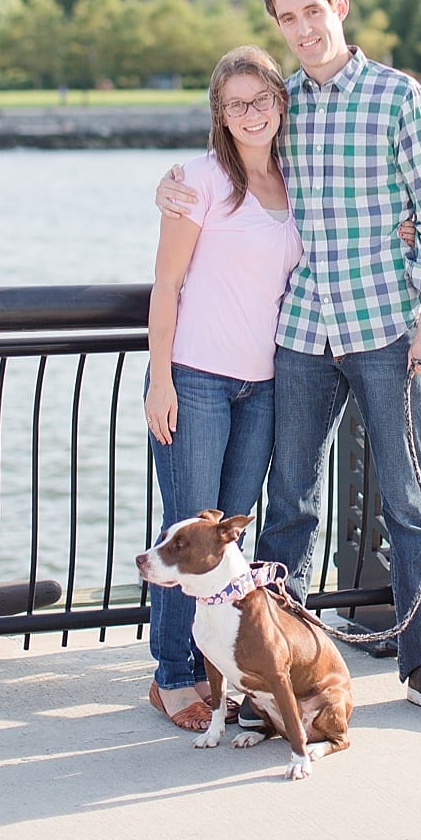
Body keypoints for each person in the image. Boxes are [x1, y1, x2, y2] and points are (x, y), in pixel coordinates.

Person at [156, 0, 421, 723]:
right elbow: (233, 161)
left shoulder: (397, 97)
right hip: (298, 336)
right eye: (286, 17)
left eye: (312, 10)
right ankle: (280, 666)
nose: (302, 28)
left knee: (408, 501)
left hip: (385, 329)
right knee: (290, 504)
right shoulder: (282, 101)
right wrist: (171, 185)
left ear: (340, 5)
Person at [142, 46, 300, 730]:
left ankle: (219, 672)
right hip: (198, 381)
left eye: (260, 98)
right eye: (235, 103)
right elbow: (167, 284)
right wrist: (160, 379)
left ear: (278, 101)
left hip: (262, 386)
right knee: (186, 538)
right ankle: (172, 676)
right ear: (219, 114)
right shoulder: (197, 180)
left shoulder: (299, 182)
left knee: (226, 548)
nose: (250, 113)